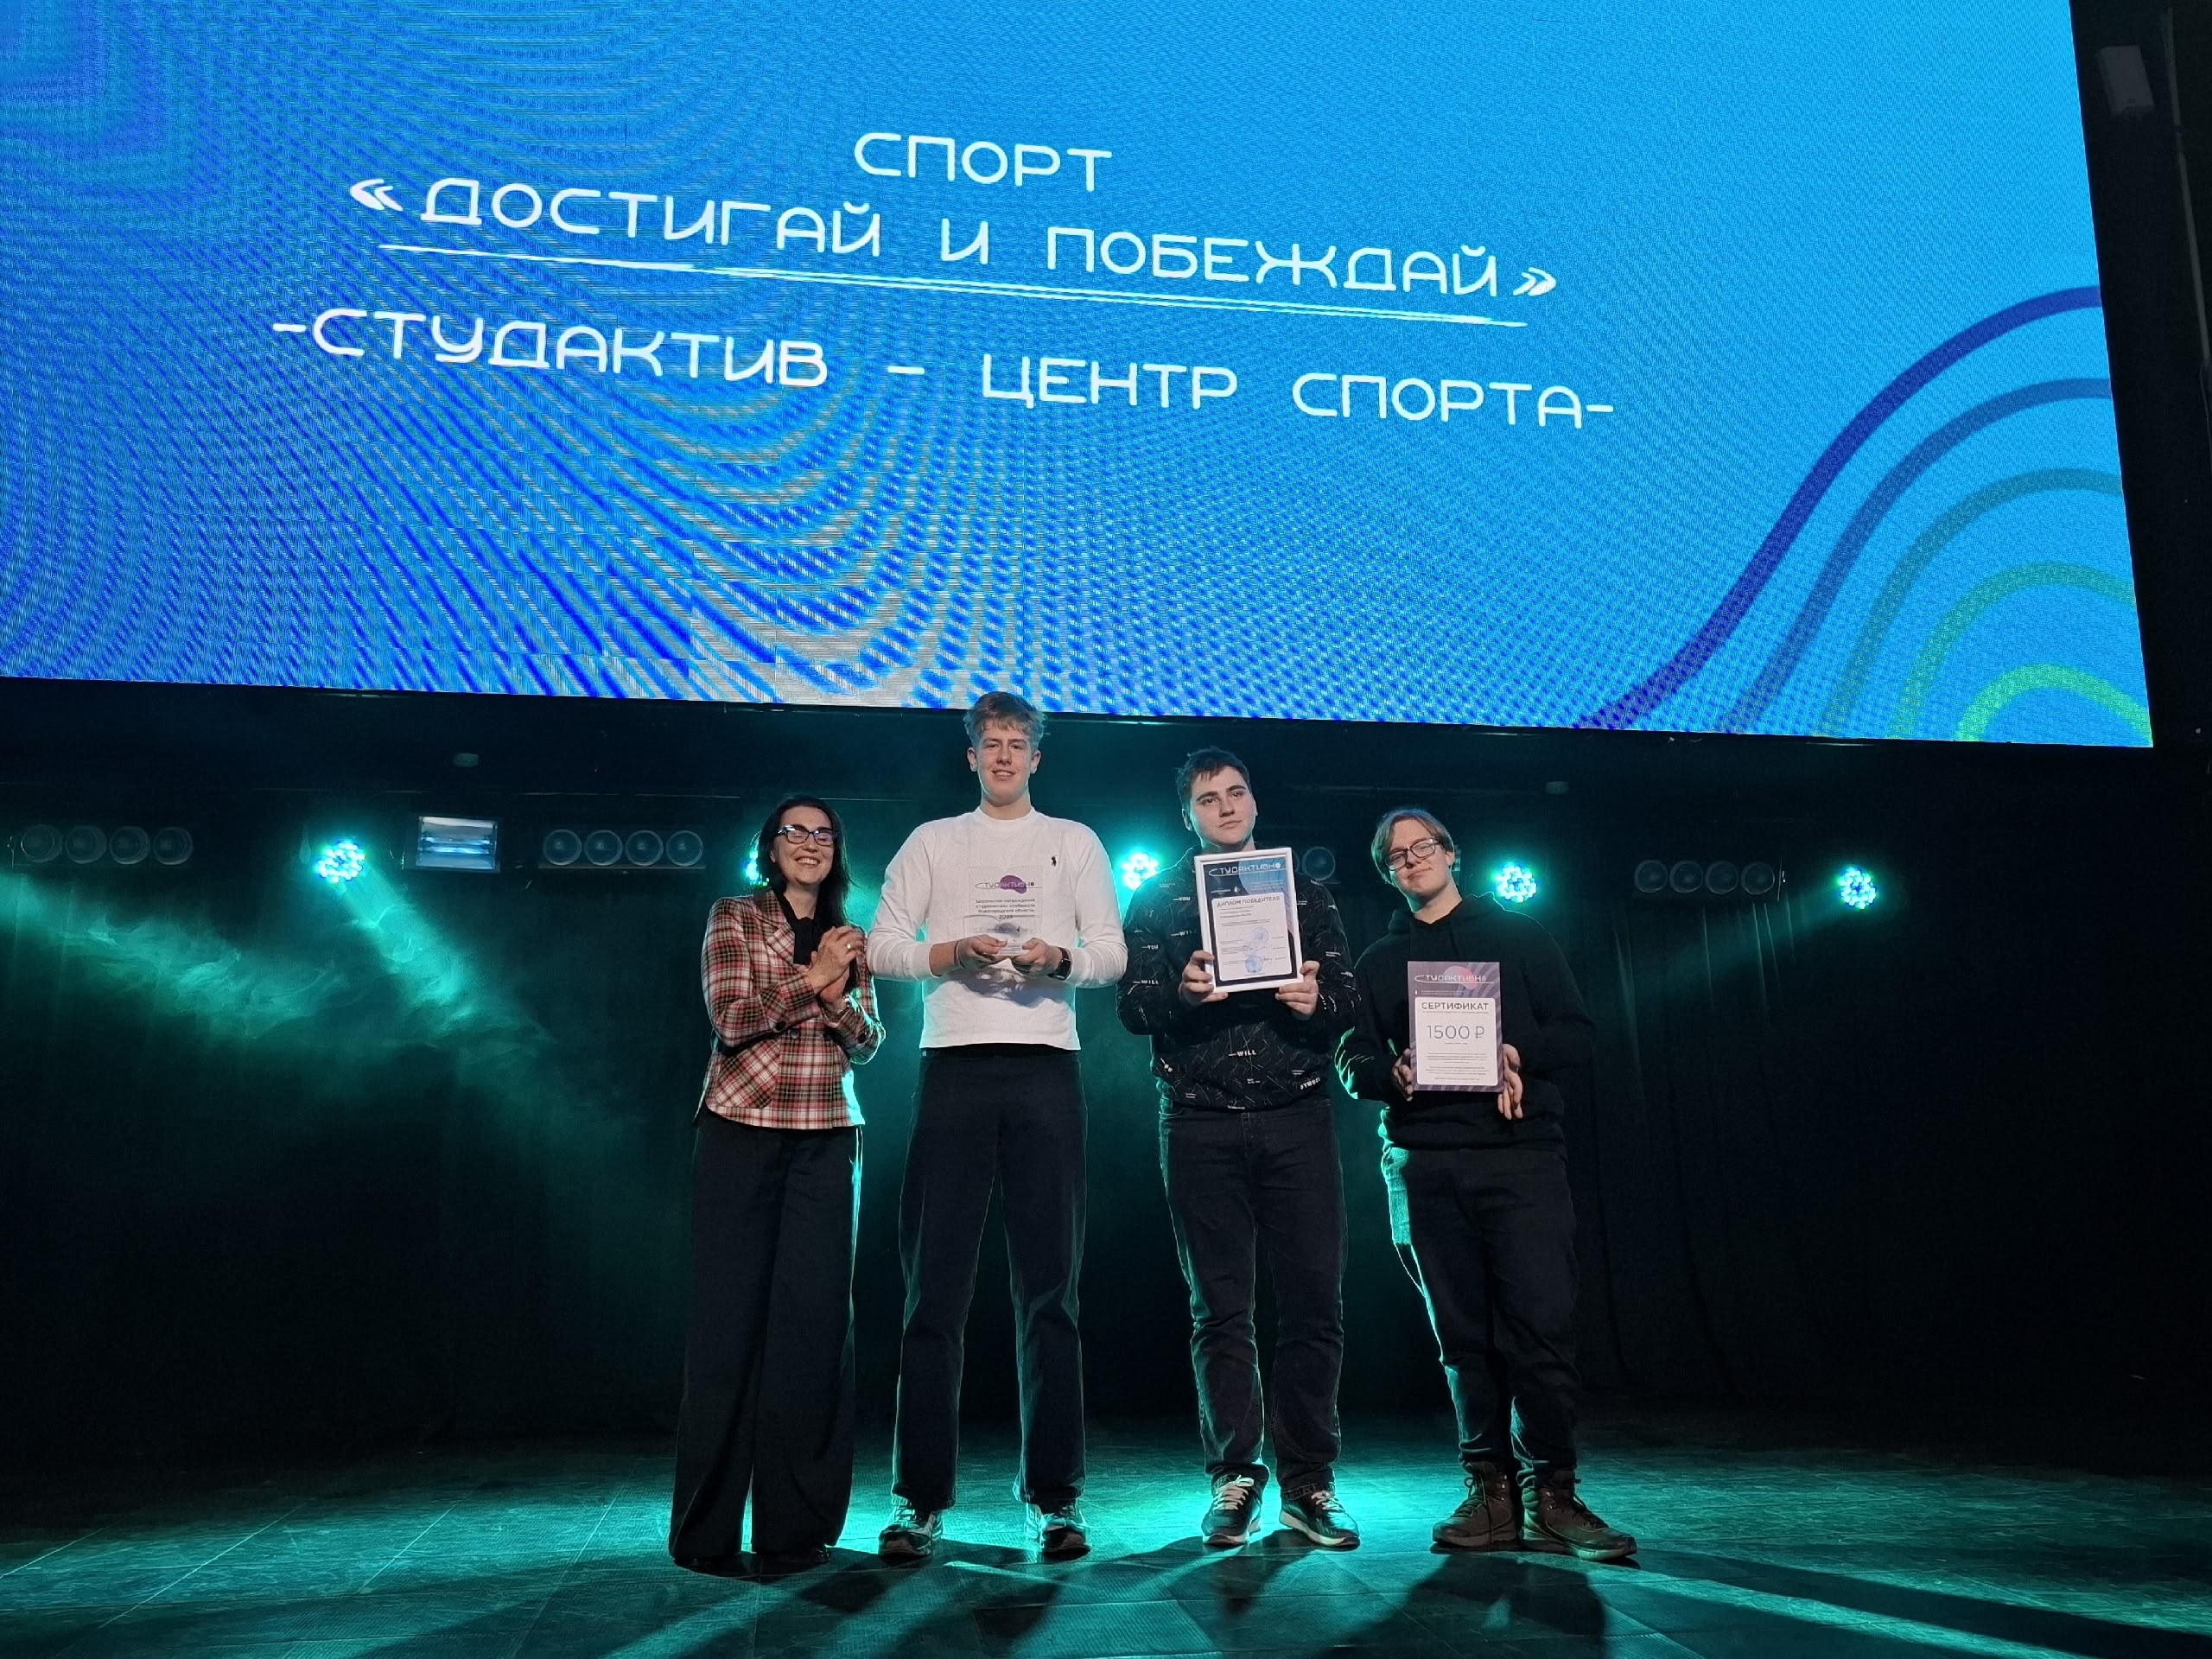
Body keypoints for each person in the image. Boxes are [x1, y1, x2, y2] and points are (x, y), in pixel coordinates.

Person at [865, 691, 1128, 1560]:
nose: (1005, 755)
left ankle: (1055, 1499)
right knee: (932, 1291)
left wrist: (1060, 959)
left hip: (1047, 1068)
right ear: (971, 756)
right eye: (992, 743)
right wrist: (948, 953)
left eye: (1019, 743)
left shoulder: (1074, 841)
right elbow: (881, 946)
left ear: (1036, 758)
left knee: (1051, 1291)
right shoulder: (934, 841)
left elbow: (1112, 954)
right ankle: (918, 1500)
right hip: (954, 1068)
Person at [1336, 808, 1636, 1562]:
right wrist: (1391, 1073)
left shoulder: (1521, 936)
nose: (1412, 860)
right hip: (1425, 1163)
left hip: (1519, 1156)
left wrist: (1515, 1052)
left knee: (1540, 1329)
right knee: (1463, 1340)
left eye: (1423, 847)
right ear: (1388, 874)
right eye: (1396, 856)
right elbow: (1353, 1058)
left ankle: (1553, 1493)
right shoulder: (1379, 960)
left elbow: (1578, 1034)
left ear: (1452, 853)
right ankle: (1490, 1492)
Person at [1117, 747, 1361, 1549]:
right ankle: (1235, 1476)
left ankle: (1310, 1481)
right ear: (1186, 816)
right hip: (1199, 1121)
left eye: (1236, 792)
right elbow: (1134, 1005)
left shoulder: (1306, 891)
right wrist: (1182, 992)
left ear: (1254, 801)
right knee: (1219, 1310)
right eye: (1208, 798)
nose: (1225, 806)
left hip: (1297, 1116)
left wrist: (1315, 999)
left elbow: (1350, 998)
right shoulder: (1156, 898)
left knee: (1314, 1304)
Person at [669, 796, 881, 1576]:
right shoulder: (734, 916)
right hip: (742, 1129)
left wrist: (838, 998)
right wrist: (812, 981)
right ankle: (706, 1531)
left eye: (825, 834)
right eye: (797, 832)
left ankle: (797, 1527)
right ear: (772, 846)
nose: (811, 844)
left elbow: (870, 1041)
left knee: (814, 1333)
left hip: (827, 1136)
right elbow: (731, 1017)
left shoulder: (849, 933)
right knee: (728, 1328)